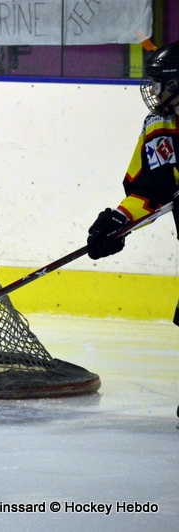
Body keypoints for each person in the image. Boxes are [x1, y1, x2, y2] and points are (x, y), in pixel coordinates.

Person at [85, 40, 179, 427]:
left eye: (162, 85)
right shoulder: (160, 125)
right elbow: (150, 192)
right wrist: (116, 224)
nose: (155, 94)